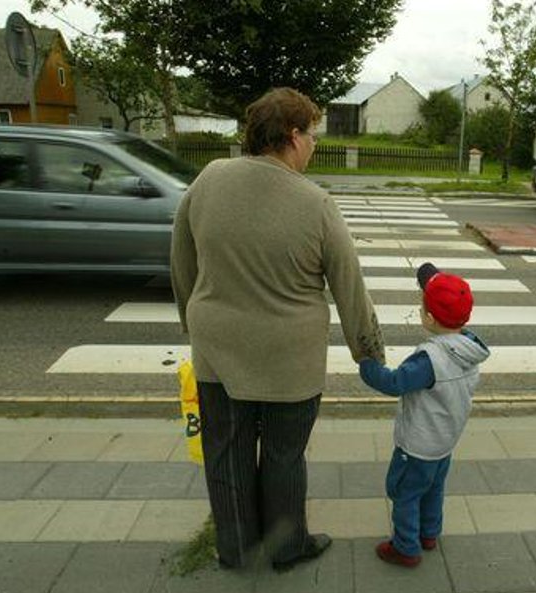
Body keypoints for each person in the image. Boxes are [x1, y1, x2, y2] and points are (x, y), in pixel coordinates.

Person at [170, 87, 385, 572]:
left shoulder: (208, 180)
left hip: (219, 353)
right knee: (286, 456)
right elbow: (349, 285)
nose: (315, 145)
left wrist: (192, 321)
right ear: (292, 136)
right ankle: (286, 547)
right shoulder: (315, 203)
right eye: (313, 135)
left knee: (227, 453)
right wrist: (368, 352)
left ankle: (236, 548)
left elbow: (182, 259)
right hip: (291, 360)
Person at [358, 263, 490, 567]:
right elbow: (439, 287)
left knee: (403, 491)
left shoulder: (429, 360)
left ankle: (406, 547)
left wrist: (367, 366)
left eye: (422, 305)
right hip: (444, 442)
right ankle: (429, 533)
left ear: (428, 318)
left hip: (418, 445)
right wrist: (429, 277)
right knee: (433, 487)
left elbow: (394, 383)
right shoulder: (468, 349)